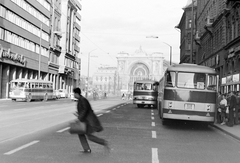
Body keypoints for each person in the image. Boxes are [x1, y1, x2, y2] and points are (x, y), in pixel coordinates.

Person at [73, 87, 110, 153]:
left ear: (77, 93)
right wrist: (78, 114)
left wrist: (79, 117)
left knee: (89, 136)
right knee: (81, 134)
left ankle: (103, 142)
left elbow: (85, 110)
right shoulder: (81, 100)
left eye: (74, 93)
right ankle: (86, 149)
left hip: (88, 121)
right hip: (85, 120)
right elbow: (84, 110)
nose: (74, 95)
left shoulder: (83, 100)